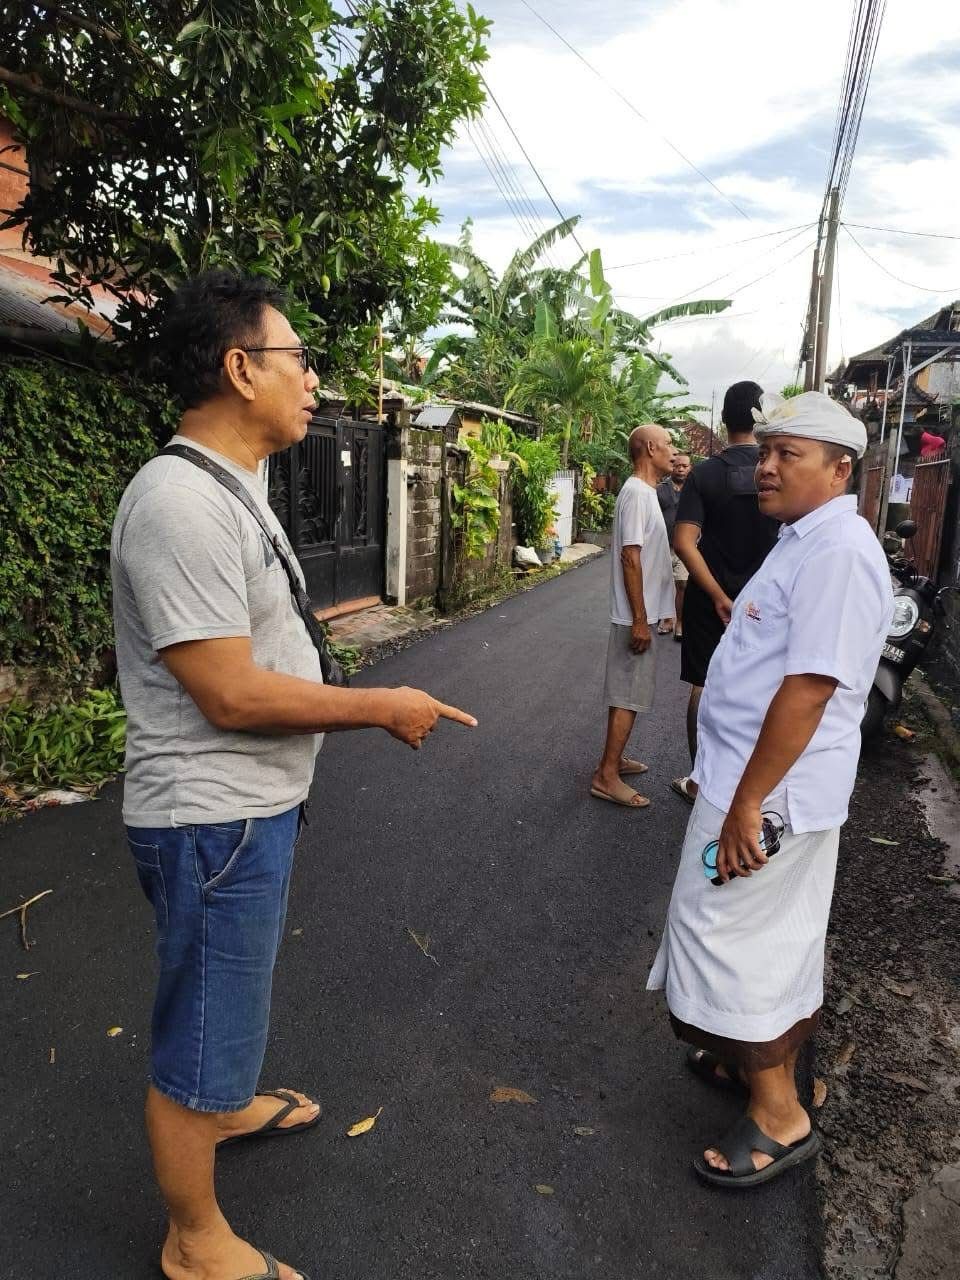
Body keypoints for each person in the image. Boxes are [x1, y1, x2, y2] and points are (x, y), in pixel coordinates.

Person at [111, 271, 476, 1280]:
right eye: (298, 360)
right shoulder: (180, 502)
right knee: (200, 1025)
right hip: (210, 818)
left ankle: (224, 1104)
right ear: (241, 368)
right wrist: (380, 705)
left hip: (246, 809)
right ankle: (194, 1241)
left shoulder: (232, 484)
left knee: (225, 1002)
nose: (313, 381)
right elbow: (228, 693)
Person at [647, 391, 894, 1190]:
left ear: (840, 469)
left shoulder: (838, 552)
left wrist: (748, 802)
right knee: (762, 934)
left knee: (727, 934)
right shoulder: (804, 539)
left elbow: (810, 688)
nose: (767, 466)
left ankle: (781, 1113)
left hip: (770, 795)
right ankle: (745, 1060)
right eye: (768, 451)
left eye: (791, 454)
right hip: (749, 781)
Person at [671, 382, 779, 804]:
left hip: (709, 600)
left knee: (703, 684)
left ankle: (700, 783)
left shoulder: (703, 473)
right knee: (765, 686)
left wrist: (717, 594)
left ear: (723, 421)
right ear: (761, 418)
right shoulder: (778, 471)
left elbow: (684, 542)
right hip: (767, 599)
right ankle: (753, 787)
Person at [590, 424, 676, 810]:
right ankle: (606, 776)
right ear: (651, 448)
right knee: (628, 696)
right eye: (668, 444)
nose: (673, 450)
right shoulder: (637, 494)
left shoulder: (645, 492)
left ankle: (614, 759)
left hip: (641, 613)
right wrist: (640, 619)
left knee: (627, 693)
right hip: (634, 617)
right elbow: (631, 557)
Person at [656, 452, 691, 640]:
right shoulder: (660, 489)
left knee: (683, 584)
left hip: (685, 547)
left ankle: (680, 622)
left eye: (685, 466)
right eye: (677, 466)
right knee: (663, 583)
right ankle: (667, 618)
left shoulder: (694, 490)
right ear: (672, 467)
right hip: (663, 546)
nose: (681, 469)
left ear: (690, 468)